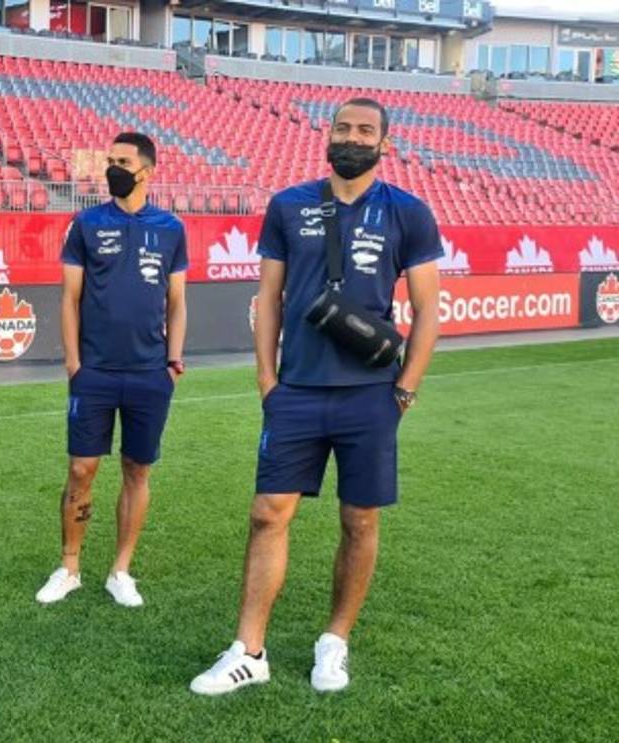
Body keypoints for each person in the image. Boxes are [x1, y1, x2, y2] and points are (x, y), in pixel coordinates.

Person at [189, 98, 442, 696]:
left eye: (364, 130)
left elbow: (429, 311)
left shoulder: (409, 212)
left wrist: (404, 391)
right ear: (326, 135)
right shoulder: (288, 205)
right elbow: (269, 298)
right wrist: (266, 379)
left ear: (385, 143)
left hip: (371, 396)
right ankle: (249, 650)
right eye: (342, 128)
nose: (351, 138)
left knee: (359, 522)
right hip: (296, 391)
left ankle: (335, 642)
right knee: (266, 514)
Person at [35, 132, 188, 608]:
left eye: (123, 161)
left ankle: (121, 570)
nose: (112, 168)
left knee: (136, 470)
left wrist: (172, 360)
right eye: (110, 160)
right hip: (95, 371)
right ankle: (70, 565)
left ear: (148, 170)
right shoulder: (86, 223)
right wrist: (74, 362)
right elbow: (69, 298)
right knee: (82, 468)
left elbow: (178, 300)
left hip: (149, 373)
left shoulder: (170, 228)